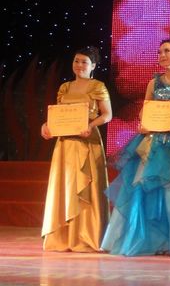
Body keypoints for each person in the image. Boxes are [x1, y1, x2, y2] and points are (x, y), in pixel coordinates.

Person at [101, 39, 170, 257]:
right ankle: (139, 239)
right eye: (159, 52)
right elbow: (146, 109)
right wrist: (143, 122)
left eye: (167, 51)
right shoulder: (154, 82)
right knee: (141, 187)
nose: (162, 55)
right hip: (153, 140)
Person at [40, 46, 112, 252]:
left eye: (84, 62)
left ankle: (88, 236)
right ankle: (64, 237)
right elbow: (59, 114)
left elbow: (107, 114)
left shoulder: (98, 86)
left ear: (93, 66)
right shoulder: (65, 87)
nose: (79, 65)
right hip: (65, 144)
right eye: (76, 61)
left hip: (87, 141)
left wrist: (90, 125)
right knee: (66, 186)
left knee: (87, 187)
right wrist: (46, 126)